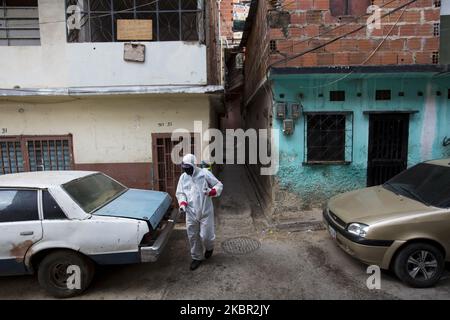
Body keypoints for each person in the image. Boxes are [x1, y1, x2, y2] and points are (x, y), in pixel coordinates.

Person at [176, 154, 223, 270]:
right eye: (184, 167)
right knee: (193, 236)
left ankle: (209, 247)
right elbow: (180, 193)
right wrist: (182, 203)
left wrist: (212, 192)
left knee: (207, 236)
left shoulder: (204, 174)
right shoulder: (183, 178)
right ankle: (197, 257)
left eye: (188, 167)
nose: (185, 169)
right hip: (190, 212)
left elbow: (219, 185)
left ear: (194, 165)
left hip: (205, 211)